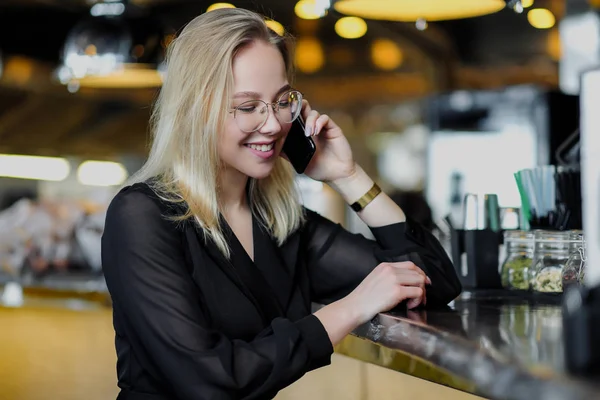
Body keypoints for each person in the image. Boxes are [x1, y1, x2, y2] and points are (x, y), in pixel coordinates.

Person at [101, 8, 462, 400]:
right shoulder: (140, 216)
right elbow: (211, 381)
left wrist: (348, 176)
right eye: (248, 106)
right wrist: (349, 309)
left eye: (280, 101)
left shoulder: (282, 223)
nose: (273, 125)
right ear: (195, 109)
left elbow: (433, 281)